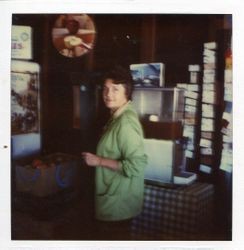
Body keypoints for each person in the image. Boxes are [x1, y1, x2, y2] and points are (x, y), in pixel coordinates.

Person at [82, 66, 147, 240]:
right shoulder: (117, 116)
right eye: (105, 88)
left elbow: (136, 165)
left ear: (127, 92)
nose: (108, 94)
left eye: (115, 89)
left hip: (118, 203)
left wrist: (99, 161)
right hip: (114, 198)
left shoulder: (125, 122)